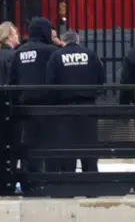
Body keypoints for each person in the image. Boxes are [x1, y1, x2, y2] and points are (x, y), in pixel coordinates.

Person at [0, 16, 58, 175]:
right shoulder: (52, 52)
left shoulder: (19, 52)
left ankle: (29, 180)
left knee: (29, 147)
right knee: (50, 145)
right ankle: (50, 179)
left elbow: (12, 81)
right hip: (48, 108)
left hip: (25, 110)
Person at [45, 30, 107, 173]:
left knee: (67, 148)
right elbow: (101, 79)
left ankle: (69, 184)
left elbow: (49, 83)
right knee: (89, 149)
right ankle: (90, 183)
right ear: (78, 40)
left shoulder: (56, 56)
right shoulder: (90, 55)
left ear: (63, 41)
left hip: (64, 108)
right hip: (88, 107)